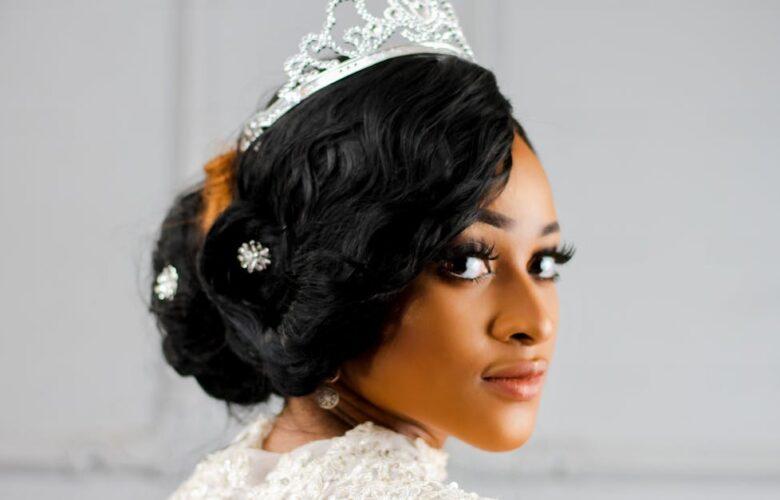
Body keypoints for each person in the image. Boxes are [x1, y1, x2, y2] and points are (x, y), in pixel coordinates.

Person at [148, 1, 575, 498]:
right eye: (466, 263)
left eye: (544, 263)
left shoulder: (221, 482)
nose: (535, 323)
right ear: (331, 282)